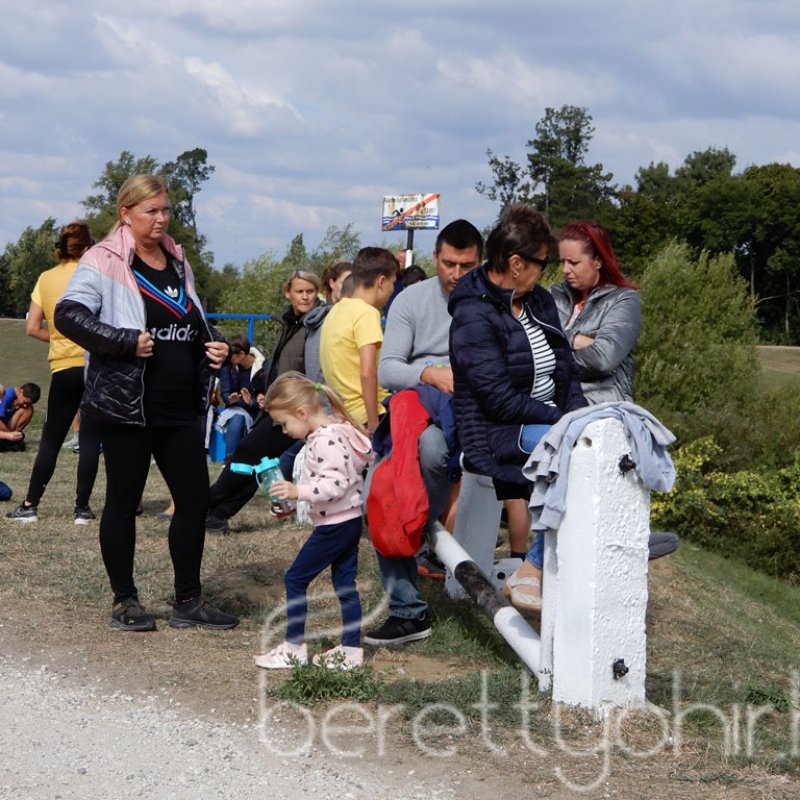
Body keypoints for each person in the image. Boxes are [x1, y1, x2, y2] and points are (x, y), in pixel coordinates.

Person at [54, 174, 239, 632]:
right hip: (126, 406)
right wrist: (122, 341)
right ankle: (125, 601)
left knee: (193, 501)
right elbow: (68, 315)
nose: (161, 219)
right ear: (125, 214)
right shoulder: (103, 258)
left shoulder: (177, 260)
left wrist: (213, 344)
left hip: (180, 406)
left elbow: (189, 321)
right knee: (123, 502)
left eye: (165, 210)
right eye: (150, 211)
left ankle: (188, 602)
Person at [448, 204, 587, 612]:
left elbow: (565, 370)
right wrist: (564, 422)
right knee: (576, 453)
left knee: (603, 438)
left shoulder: (538, 301)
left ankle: (612, 536)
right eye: (542, 263)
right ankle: (533, 568)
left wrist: (579, 416)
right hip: (495, 431)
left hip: (545, 422)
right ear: (515, 263)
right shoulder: (472, 314)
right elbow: (497, 399)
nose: (546, 272)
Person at [363, 219, 484, 646]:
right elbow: (388, 369)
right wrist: (430, 373)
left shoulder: (493, 302)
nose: (456, 274)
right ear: (435, 258)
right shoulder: (411, 299)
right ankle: (407, 607)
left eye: (467, 266)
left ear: (481, 262)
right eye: (449, 263)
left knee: (430, 450)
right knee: (377, 489)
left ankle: (413, 539)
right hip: (415, 409)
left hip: (474, 414)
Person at [254, 372, 374, 670]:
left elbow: (336, 484)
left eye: (284, 424)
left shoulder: (325, 440)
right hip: (346, 520)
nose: (284, 431)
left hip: (335, 525)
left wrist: (299, 492)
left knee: (295, 578)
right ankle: (351, 650)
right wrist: (296, 501)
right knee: (344, 584)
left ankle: (293, 647)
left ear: (302, 413)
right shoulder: (337, 431)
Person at [205, 270, 323, 534]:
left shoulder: (316, 324)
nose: (305, 297)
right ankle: (217, 513)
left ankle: (209, 505)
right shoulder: (292, 322)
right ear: (288, 293)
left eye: (310, 291)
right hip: (280, 404)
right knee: (258, 460)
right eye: (300, 291)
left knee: (248, 451)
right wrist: (267, 393)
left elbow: (309, 370)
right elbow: (281, 365)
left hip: (296, 408)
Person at [5, 223, 102, 524]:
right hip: (95, 365)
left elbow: (32, 327)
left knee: (50, 441)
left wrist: (60, 340)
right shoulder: (98, 275)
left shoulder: (46, 278)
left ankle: (30, 505)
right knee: (90, 439)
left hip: (63, 367)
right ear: (88, 247)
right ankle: (82, 509)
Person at [550, 221, 641, 403]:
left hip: (601, 407)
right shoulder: (553, 294)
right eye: (563, 261)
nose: (565, 270)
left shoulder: (623, 300)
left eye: (573, 262)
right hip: (552, 404)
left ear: (597, 261)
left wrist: (558, 340)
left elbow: (603, 359)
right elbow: (526, 343)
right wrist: (579, 341)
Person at [319, 247, 397, 433]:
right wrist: (374, 422)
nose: (393, 289)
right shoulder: (366, 313)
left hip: (344, 414)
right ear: (381, 282)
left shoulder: (335, 311)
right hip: (369, 413)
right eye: (393, 283)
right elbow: (367, 371)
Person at [216, 334, 265, 459]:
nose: (227, 358)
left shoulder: (262, 367)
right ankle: (229, 459)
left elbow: (265, 397)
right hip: (236, 409)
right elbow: (225, 393)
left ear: (241, 354)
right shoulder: (228, 367)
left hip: (258, 412)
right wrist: (231, 399)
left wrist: (252, 402)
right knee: (238, 417)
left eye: (230, 355)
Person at [303, 261, 352, 385]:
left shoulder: (316, 317)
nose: (350, 288)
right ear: (332, 283)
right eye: (345, 283)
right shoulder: (332, 319)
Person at [0, 383, 40, 452]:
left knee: (29, 409)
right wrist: (9, 434)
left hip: (6, 428)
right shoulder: (7, 395)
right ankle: (10, 441)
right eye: (25, 402)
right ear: (21, 392)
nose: (25, 405)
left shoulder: (22, 402)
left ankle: (12, 440)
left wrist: (15, 435)